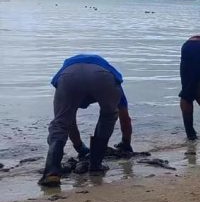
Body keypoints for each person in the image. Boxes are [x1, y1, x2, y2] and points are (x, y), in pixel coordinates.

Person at [39, 54, 133, 186]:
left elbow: (69, 121)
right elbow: (125, 117)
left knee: (60, 123)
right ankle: (95, 165)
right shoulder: (109, 74)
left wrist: (80, 148)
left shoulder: (67, 68)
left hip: (69, 77)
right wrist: (126, 143)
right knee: (108, 116)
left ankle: (52, 173)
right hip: (103, 77)